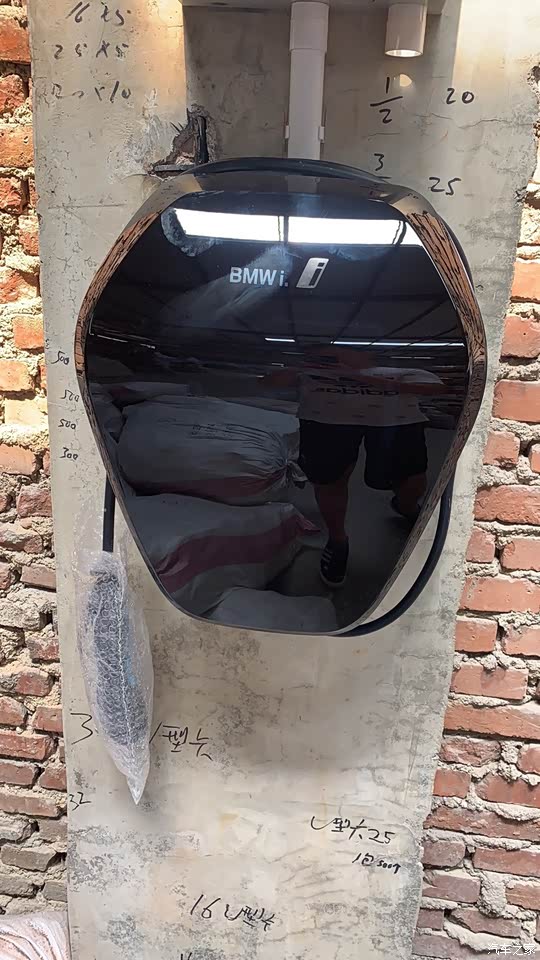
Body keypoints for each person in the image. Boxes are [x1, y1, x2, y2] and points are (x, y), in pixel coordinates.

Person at [266, 345, 446, 588]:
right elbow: (268, 383)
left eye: (342, 350)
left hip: (396, 423)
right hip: (325, 421)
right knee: (329, 481)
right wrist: (300, 368)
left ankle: (407, 507)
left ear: (366, 354)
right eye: (327, 351)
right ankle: (338, 540)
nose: (332, 354)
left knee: (411, 479)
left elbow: (435, 388)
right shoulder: (312, 370)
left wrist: (357, 376)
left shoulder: (400, 370)